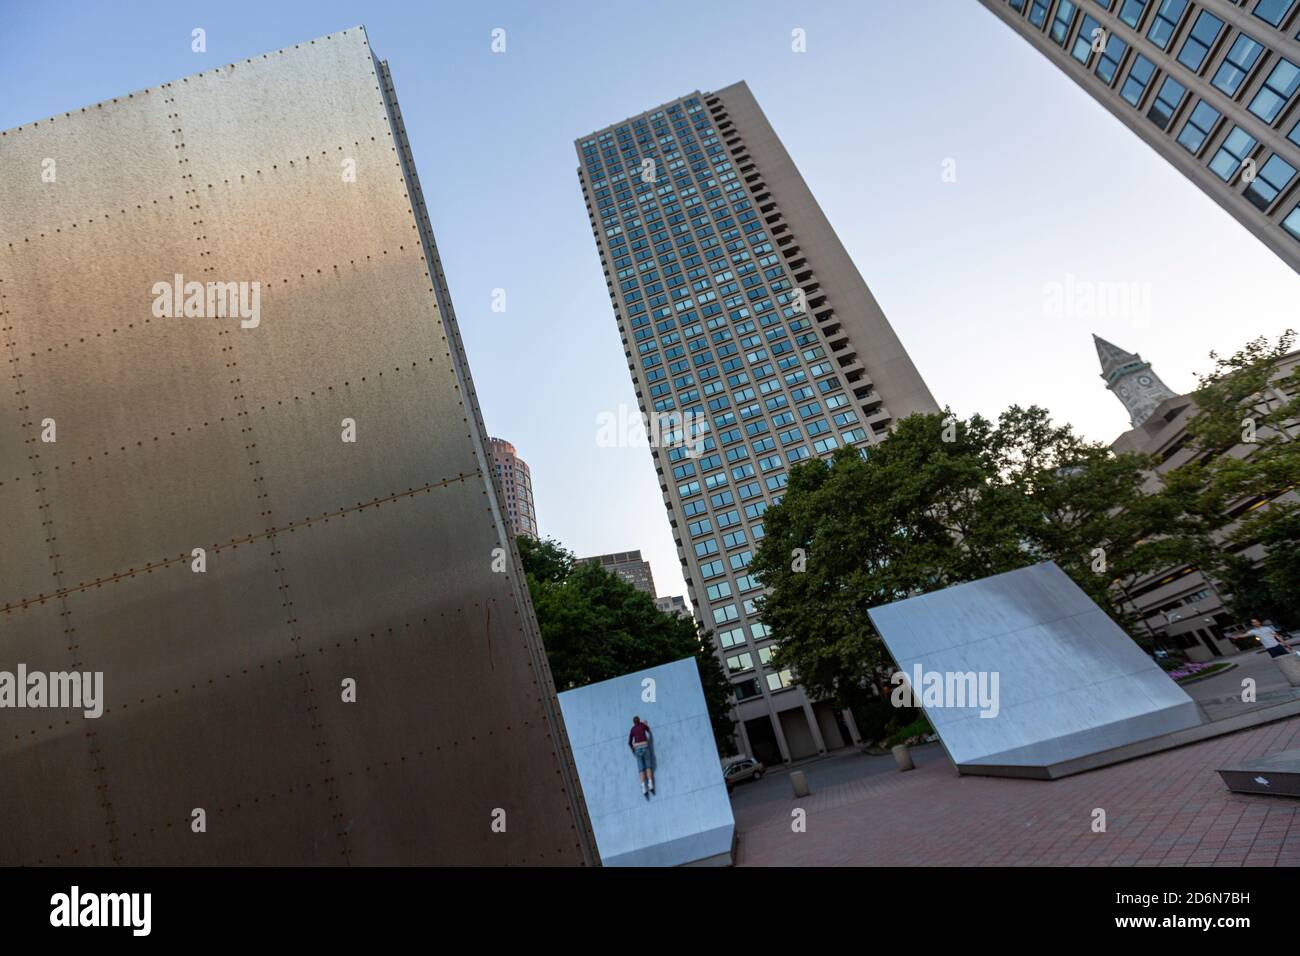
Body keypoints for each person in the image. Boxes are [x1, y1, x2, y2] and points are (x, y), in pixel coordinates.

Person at [628, 716, 655, 799]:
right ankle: (650, 784)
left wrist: (633, 749)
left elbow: (629, 742)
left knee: (641, 769)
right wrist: (646, 725)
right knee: (648, 767)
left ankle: (644, 788)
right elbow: (649, 732)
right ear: (639, 720)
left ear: (633, 722)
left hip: (637, 749)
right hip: (645, 746)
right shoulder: (643, 725)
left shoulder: (632, 729)